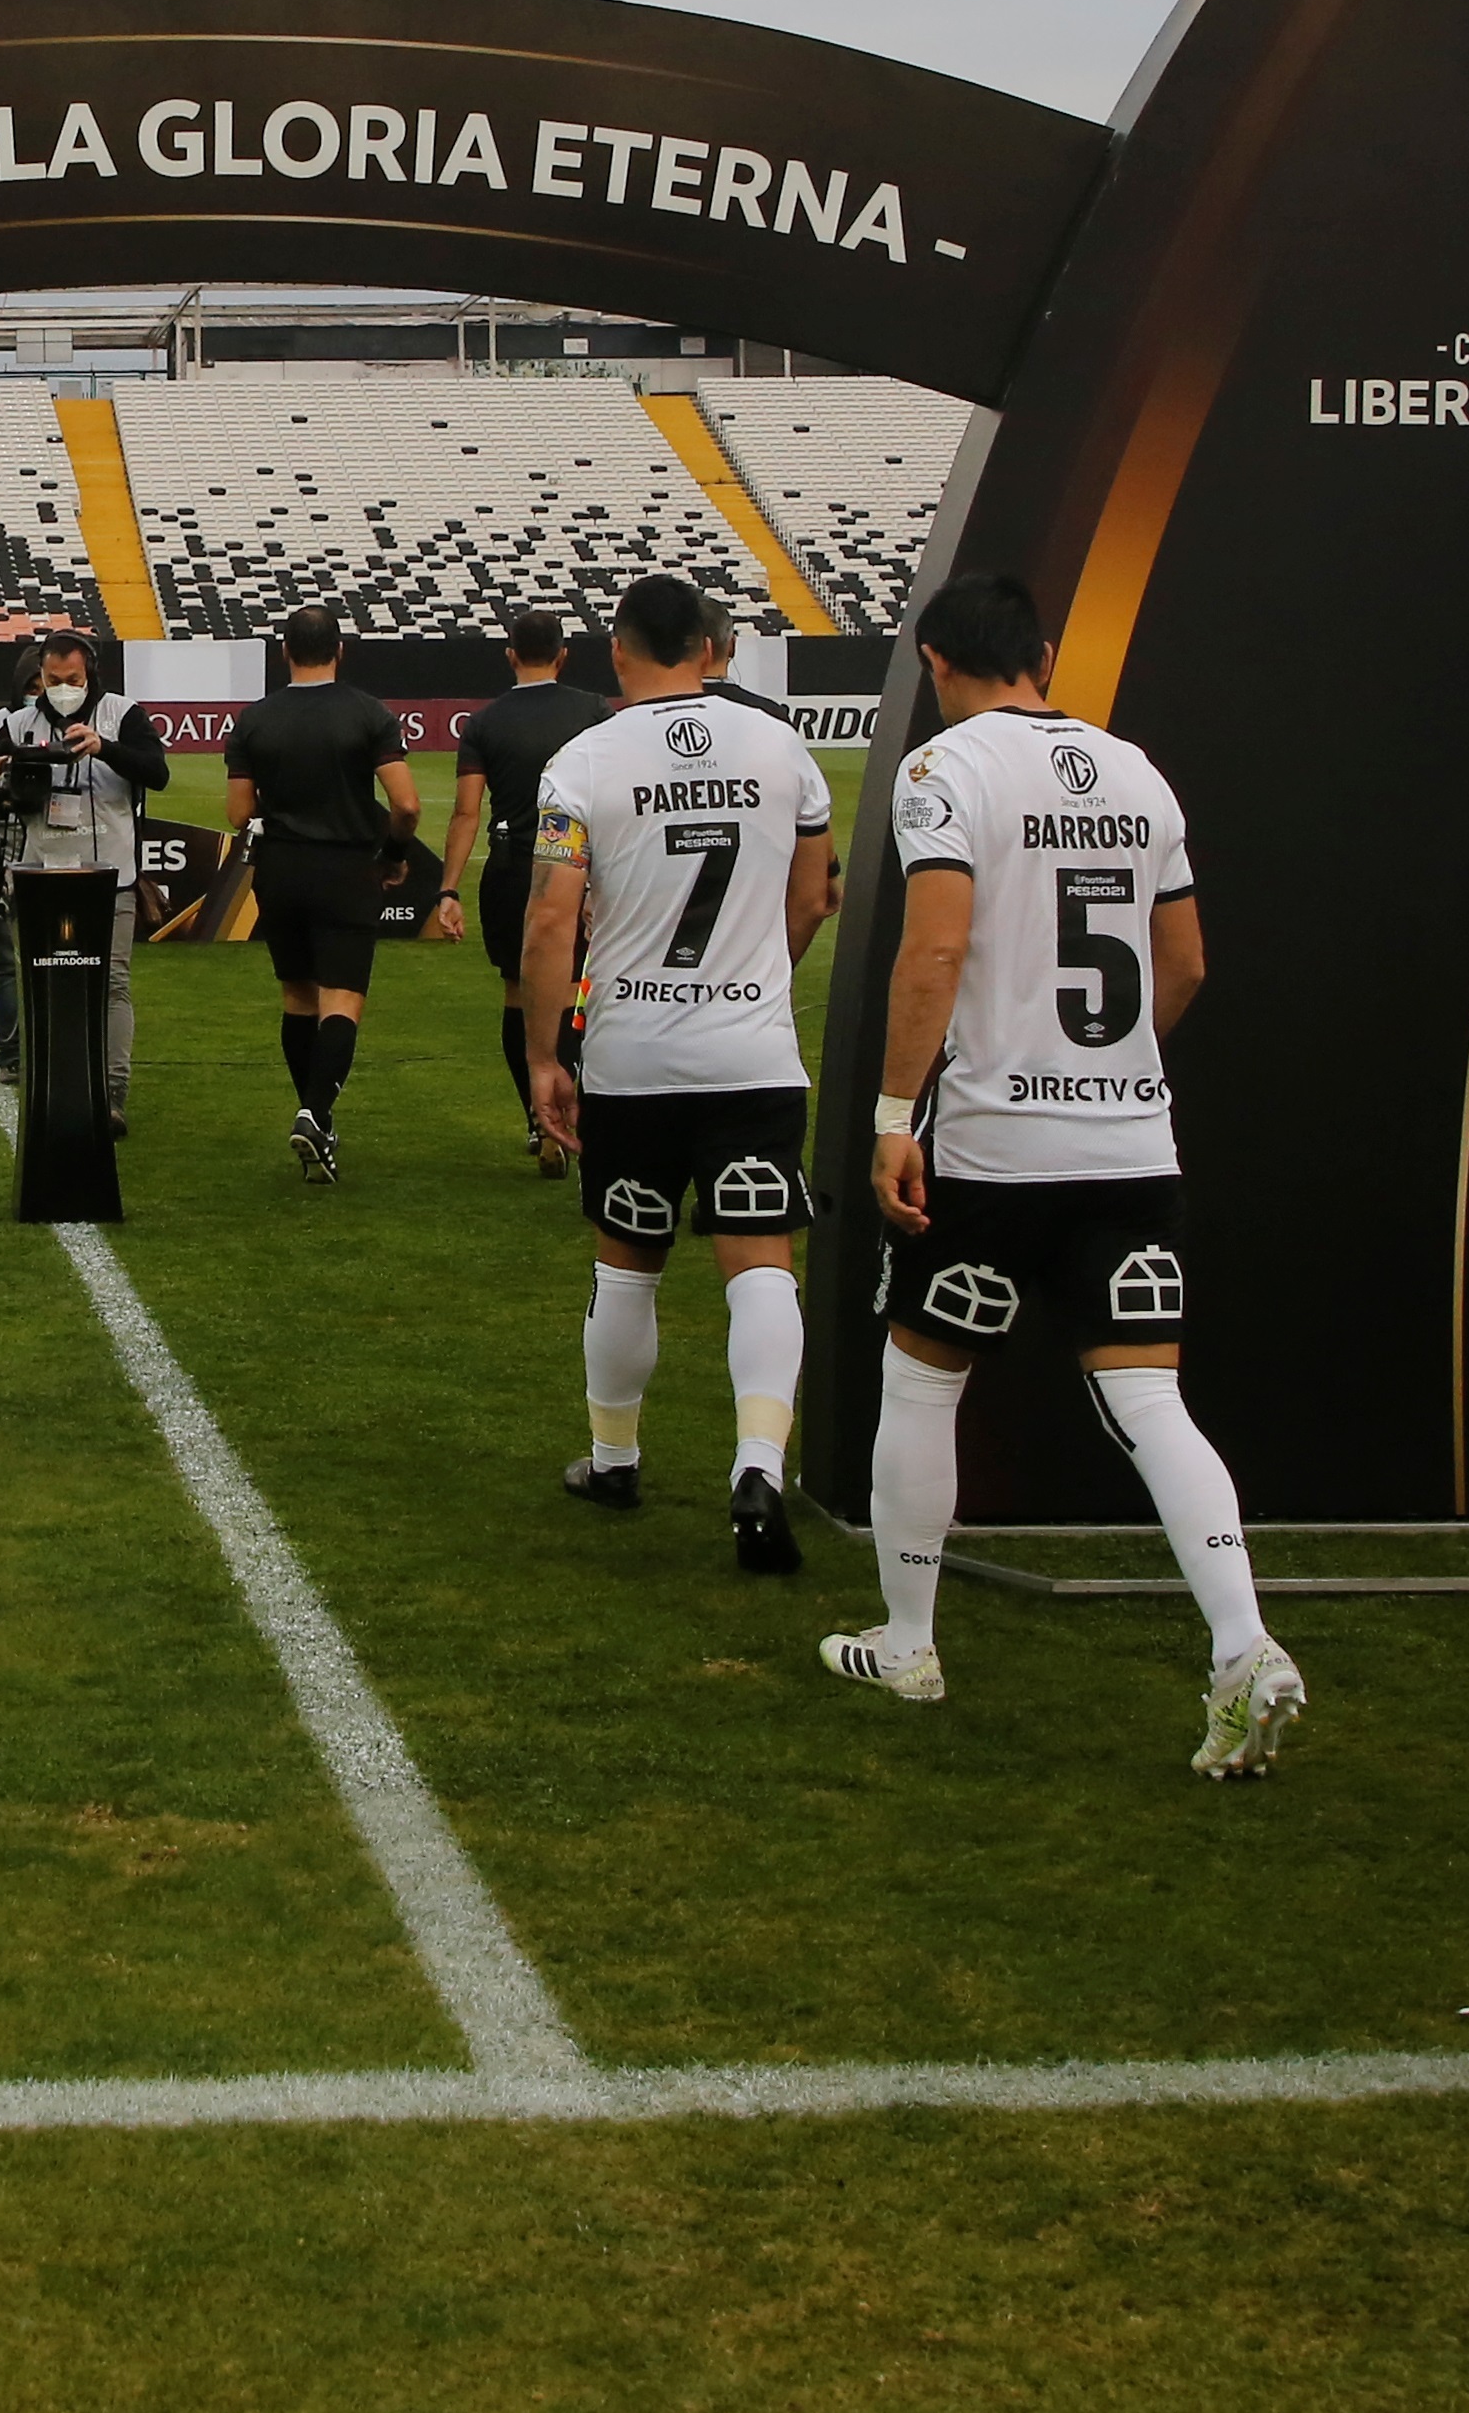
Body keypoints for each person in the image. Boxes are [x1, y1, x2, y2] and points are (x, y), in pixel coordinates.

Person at [837, 572, 1304, 1771]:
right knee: (1152, 1402)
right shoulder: (1137, 769)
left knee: (925, 1382)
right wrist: (1114, 1074)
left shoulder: (945, 773)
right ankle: (1245, 1646)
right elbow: (1186, 962)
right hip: (1130, 1147)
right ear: (1043, 652)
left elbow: (935, 945)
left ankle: (908, 1641)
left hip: (993, 1152)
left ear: (936, 661)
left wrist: (896, 1115)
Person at [522, 574, 838, 1570]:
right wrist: (761, 980)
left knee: (628, 1260)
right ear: (709, 647)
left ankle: (615, 1459)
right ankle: (757, 1462)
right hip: (751, 1051)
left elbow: (547, 916)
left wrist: (542, 1056)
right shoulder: (783, 747)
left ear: (617, 652)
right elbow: (813, 894)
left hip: (634, 1053)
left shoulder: (581, 763)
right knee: (760, 1263)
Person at [218, 603, 423, 1187]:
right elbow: (406, 804)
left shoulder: (255, 719)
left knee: (298, 999)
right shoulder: (368, 713)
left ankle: (317, 1123)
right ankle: (317, 1111)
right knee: (342, 1002)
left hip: (281, 870)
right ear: (341, 650)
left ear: (284, 652)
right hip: (346, 869)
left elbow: (238, 812)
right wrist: (395, 854)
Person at [0, 623, 169, 1133]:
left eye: (71, 677)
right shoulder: (17, 723)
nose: (61, 687)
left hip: (110, 875)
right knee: (46, 984)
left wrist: (103, 747)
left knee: (112, 984)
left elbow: (157, 772)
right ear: (40, 675)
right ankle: (52, 1086)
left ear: (89, 674)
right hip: (40, 873)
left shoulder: (123, 714)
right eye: (52, 677)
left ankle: (113, 1095)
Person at [436, 605, 615, 1176]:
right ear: (563, 655)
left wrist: (448, 889)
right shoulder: (593, 711)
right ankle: (570, 1117)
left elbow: (467, 813)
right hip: (581, 867)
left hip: (512, 867)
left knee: (519, 993)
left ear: (510, 655)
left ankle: (540, 1120)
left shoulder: (484, 722)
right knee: (568, 995)